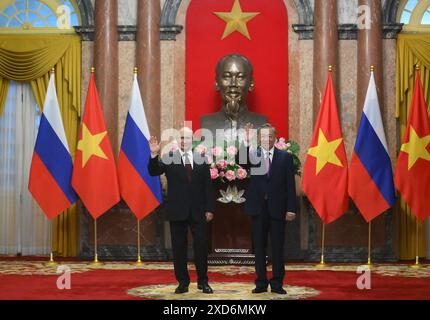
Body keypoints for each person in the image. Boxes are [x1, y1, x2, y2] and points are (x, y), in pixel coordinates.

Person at [148, 127, 215, 294]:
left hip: (199, 212)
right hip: (177, 211)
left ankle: (203, 281)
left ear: (193, 140)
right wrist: (153, 154)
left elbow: (208, 187)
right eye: (182, 138)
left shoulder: (201, 159)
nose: (185, 141)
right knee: (179, 248)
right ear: (178, 140)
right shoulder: (169, 158)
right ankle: (183, 282)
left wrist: (209, 209)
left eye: (187, 138)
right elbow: (153, 171)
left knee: (201, 246)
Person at [242, 123, 297, 295]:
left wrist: (291, 209)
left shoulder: (285, 157)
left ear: (275, 137)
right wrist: (246, 141)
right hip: (258, 209)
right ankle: (261, 283)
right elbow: (240, 161)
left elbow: (290, 185)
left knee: (278, 248)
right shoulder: (253, 155)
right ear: (259, 138)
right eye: (263, 136)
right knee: (259, 247)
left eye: (270, 136)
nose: (266, 139)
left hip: (278, 209)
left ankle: (277, 283)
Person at [200, 53, 267, 143]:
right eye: (227, 77)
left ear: (251, 83)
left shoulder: (261, 122)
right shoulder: (206, 122)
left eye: (240, 77)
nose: (233, 83)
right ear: (216, 83)